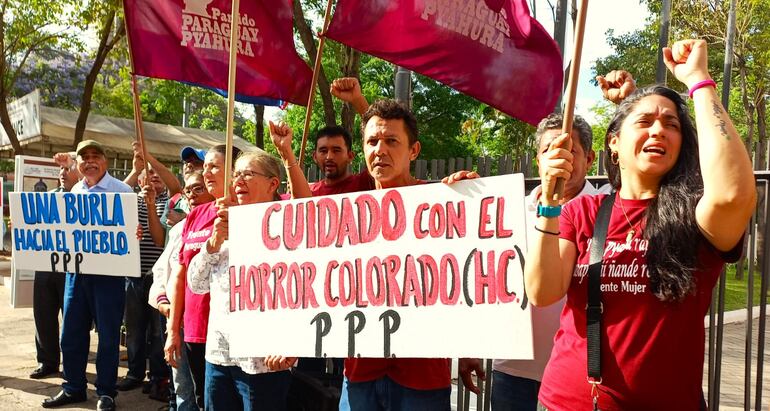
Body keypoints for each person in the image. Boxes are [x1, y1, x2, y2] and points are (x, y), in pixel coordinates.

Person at [525, 39, 755, 410]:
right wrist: (549, 204)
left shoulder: (697, 217)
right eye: (645, 122)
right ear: (614, 144)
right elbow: (542, 291)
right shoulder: (582, 211)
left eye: (671, 125)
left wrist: (698, 80)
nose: (658, 131)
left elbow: (732, 194)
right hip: (569, 402)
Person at [485, 71, 636, 410]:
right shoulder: (502, 210)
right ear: (537, 159)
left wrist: (631, 105)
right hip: (514, 372)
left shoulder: (609, 211)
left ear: (588, 157)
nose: (560, 158)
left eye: (569, 150)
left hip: (583, 375)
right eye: (550, 150)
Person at [333, 99, 455, 410]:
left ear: (413, 150)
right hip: (359, 372)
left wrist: (473, 198)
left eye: (391, 141)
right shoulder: (341, 216)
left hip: (422, 375)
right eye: (372, 141)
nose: (380, 150)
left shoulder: (445, 205)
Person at [187, 149, 297, 410]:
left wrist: (292, 343)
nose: (238, 181)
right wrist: (213, 244)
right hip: (219, 357)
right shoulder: (223, 225)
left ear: (272, 183)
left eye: (248, 174)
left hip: (264, 362)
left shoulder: (289, 228)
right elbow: (196, 284)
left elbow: (303, 292)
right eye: (236, 174)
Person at [43, 140, 135, 411]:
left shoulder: (123, 190)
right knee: (70, 333)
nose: (90, 161)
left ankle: (106, 393)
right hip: (76, 273)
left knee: (107, 336)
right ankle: (73, 388)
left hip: (110, 276)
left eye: (96, 156)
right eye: (85, 158)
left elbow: (133, 231)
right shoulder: (74, 191)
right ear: (78, 164)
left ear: (105, 161)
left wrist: (135, 234)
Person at [165, 144, 242, 409]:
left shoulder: (252, 210)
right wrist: (173, 330)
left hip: (235, 335)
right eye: (205, 166)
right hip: (196, 330)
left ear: (235, 171)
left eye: (215, 166)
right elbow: (180, 274)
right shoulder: (195, 215)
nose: (206, 172)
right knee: (203, 401)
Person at [151, 171, 214, 411]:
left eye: (198, 188)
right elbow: (165, 271)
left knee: (207, 394)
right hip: (179, 322)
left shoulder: (228, 222)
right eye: (188, 190)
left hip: (207, 327)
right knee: (183, 391)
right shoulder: (180, 229)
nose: (192, 195)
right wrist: (162, 300)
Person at [118, 159, 170, 398]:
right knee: (135, 330)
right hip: (132, 275)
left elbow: (160, 239)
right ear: (138, 181)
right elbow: (117, 189)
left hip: (157, 277)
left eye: (157, 173)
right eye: (147, 174)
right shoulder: (128, 201)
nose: (153, 176)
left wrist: (151, 205)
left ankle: (158, 377)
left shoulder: (170, 202)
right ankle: (134, 374)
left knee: (158, 333)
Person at [29, 152, 80, 380]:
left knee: (71, 321)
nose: (62, 174)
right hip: (46, 267)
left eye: (67, 170)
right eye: (60, 171)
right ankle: (47, 362)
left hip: (72, 269)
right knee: (43, 316)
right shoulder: (49, 198)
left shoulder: (85, 199)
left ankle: (72, 366)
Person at [308, 125, 373, 196]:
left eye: (336, 151)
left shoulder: (366, 183)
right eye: (323, 151)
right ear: (315, 157)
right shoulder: (308, 194)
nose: (329, 157)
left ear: (350, 156)